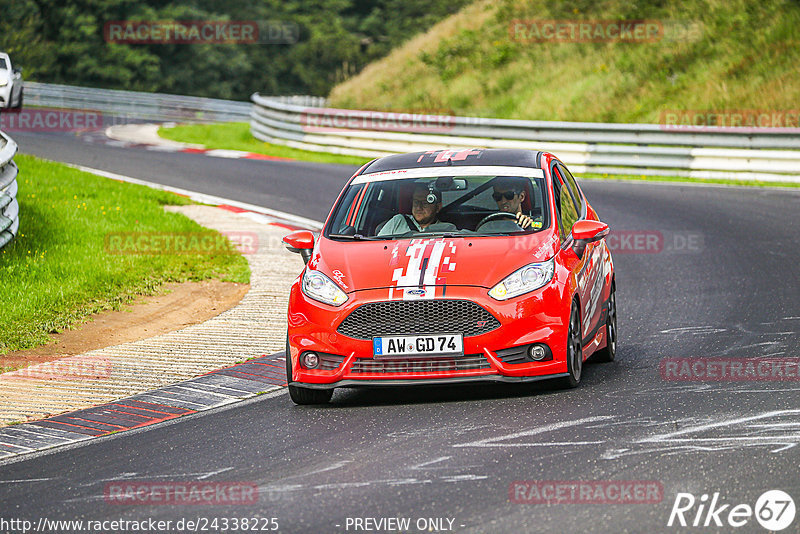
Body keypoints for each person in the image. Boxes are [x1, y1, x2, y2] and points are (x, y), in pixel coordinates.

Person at [378, 183, 456, 236]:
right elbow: (378, 247)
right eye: (416, 202)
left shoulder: (446, 230)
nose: (419, 207)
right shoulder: (398, 221)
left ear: (438, 207)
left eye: (425, 203)